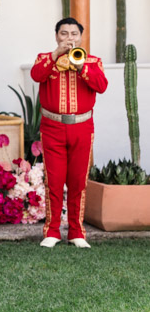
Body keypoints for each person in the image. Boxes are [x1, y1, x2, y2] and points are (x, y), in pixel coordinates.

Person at [31, 17, 108, 249]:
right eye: (64, 34)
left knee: (78, 182)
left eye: (74, 34)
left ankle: (76, 232)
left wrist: (81, 67)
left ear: (80, 37)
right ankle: (52, 231)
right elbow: (36, 75)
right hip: (52, 127)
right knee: (53, 181)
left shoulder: (93, 61)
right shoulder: (45, 59)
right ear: (57, 36)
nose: (69, 38)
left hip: (82, 128)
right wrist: (56, 55)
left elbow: (101, 86)